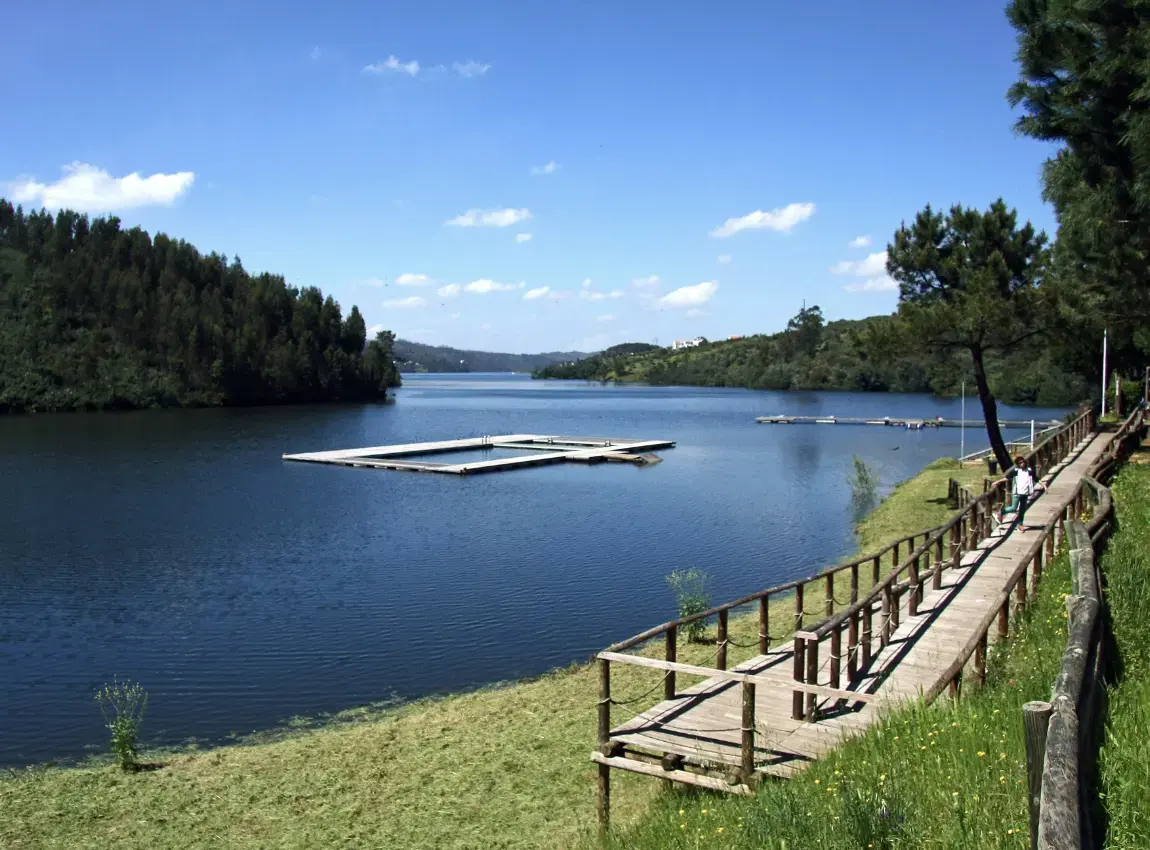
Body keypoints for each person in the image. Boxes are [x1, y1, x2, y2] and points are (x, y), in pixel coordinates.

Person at [994, 455, 1046, 529]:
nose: (1022, 464)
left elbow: (1036, 479)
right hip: (1017, 493)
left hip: (1025, 493)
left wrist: (1044, 486)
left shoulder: (1030, 471)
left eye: (1023, 462)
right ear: (1018, 464)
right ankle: (1000, 513)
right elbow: (1007, 478)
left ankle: (1020, 524)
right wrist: (998, 481)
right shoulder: (1016, 471)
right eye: (1020, 463)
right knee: (1014, 508)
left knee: (1022, 510)